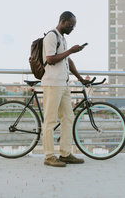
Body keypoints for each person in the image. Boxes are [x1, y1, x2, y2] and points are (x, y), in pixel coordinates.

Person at [41, 11, 88, 167]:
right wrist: (70, 51)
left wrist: (80, 78)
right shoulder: (51, 36)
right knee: (49, 120)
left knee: (68, 118)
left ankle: (65, 153)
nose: (72, 28)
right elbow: (50, 59)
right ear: (62, 21)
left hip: (64, 84)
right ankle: (49, 156)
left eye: (74, 26)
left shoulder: (63, 39)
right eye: (71, 25)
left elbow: (67, 60)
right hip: (52, 83)